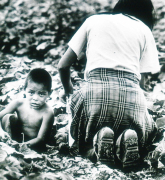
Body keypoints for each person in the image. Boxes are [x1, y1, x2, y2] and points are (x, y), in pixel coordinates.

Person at [58, 0, 161, 170]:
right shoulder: (144, 30)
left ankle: (94, 148)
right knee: (146, 125)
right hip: (132, 100)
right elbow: (142, 84)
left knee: (77, 134)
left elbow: (62, 65)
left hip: (94, 97)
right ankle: (125, 139)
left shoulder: (93, 20)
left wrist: (69, 91)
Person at [0, 68, 54, 152]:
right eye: (31, 92)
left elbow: (41, 139)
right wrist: (1, 132)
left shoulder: (47, 112)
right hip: (13, 140)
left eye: (41, 94)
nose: (35, 98)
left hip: (33, 146)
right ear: (24, 90)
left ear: (50, 93)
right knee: (7, 117)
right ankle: (6, 144)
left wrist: (23, 146)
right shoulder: (18, 103)